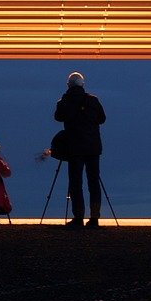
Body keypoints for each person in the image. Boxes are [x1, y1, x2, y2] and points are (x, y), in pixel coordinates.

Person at [53, 71, 106, 228]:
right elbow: (102, 119)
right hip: (93, 148)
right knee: (93, 182)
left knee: (76, 183)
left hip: (74, 148)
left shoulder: (64, 101)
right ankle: (95, 218)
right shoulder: (93, 100)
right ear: (83, 84)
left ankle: (78, 217)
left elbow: (58, 117)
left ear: (69, 85)